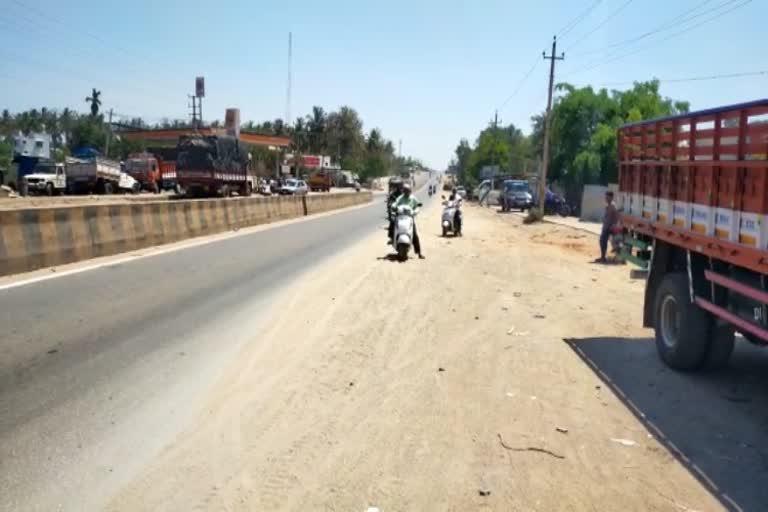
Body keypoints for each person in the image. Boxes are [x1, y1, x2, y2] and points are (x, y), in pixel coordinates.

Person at [388, 183, 425, 258]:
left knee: (414, 234)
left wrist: (415, 211)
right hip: (400, 217)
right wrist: (394, 207)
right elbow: (395, 204)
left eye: (408, 191)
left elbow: (417, 205)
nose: (407, 192)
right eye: (406, 191)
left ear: (410, 191)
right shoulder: (400, 198)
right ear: (403, 191)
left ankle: (419, 253)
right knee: (392, 224)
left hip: (409, 218)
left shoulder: (413, 198)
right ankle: (391, 237)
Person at [599, 190, 619, 263]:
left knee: (604, 241)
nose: (606, 198)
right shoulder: (608, 205)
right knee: (603, 241)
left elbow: (616, 217)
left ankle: (604, 257)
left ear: (611, 197)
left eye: (607, 197)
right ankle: (603, 257)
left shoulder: (613, 206)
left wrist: (613, 225)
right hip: (606, 227)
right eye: (605, 197)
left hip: (609, 228)